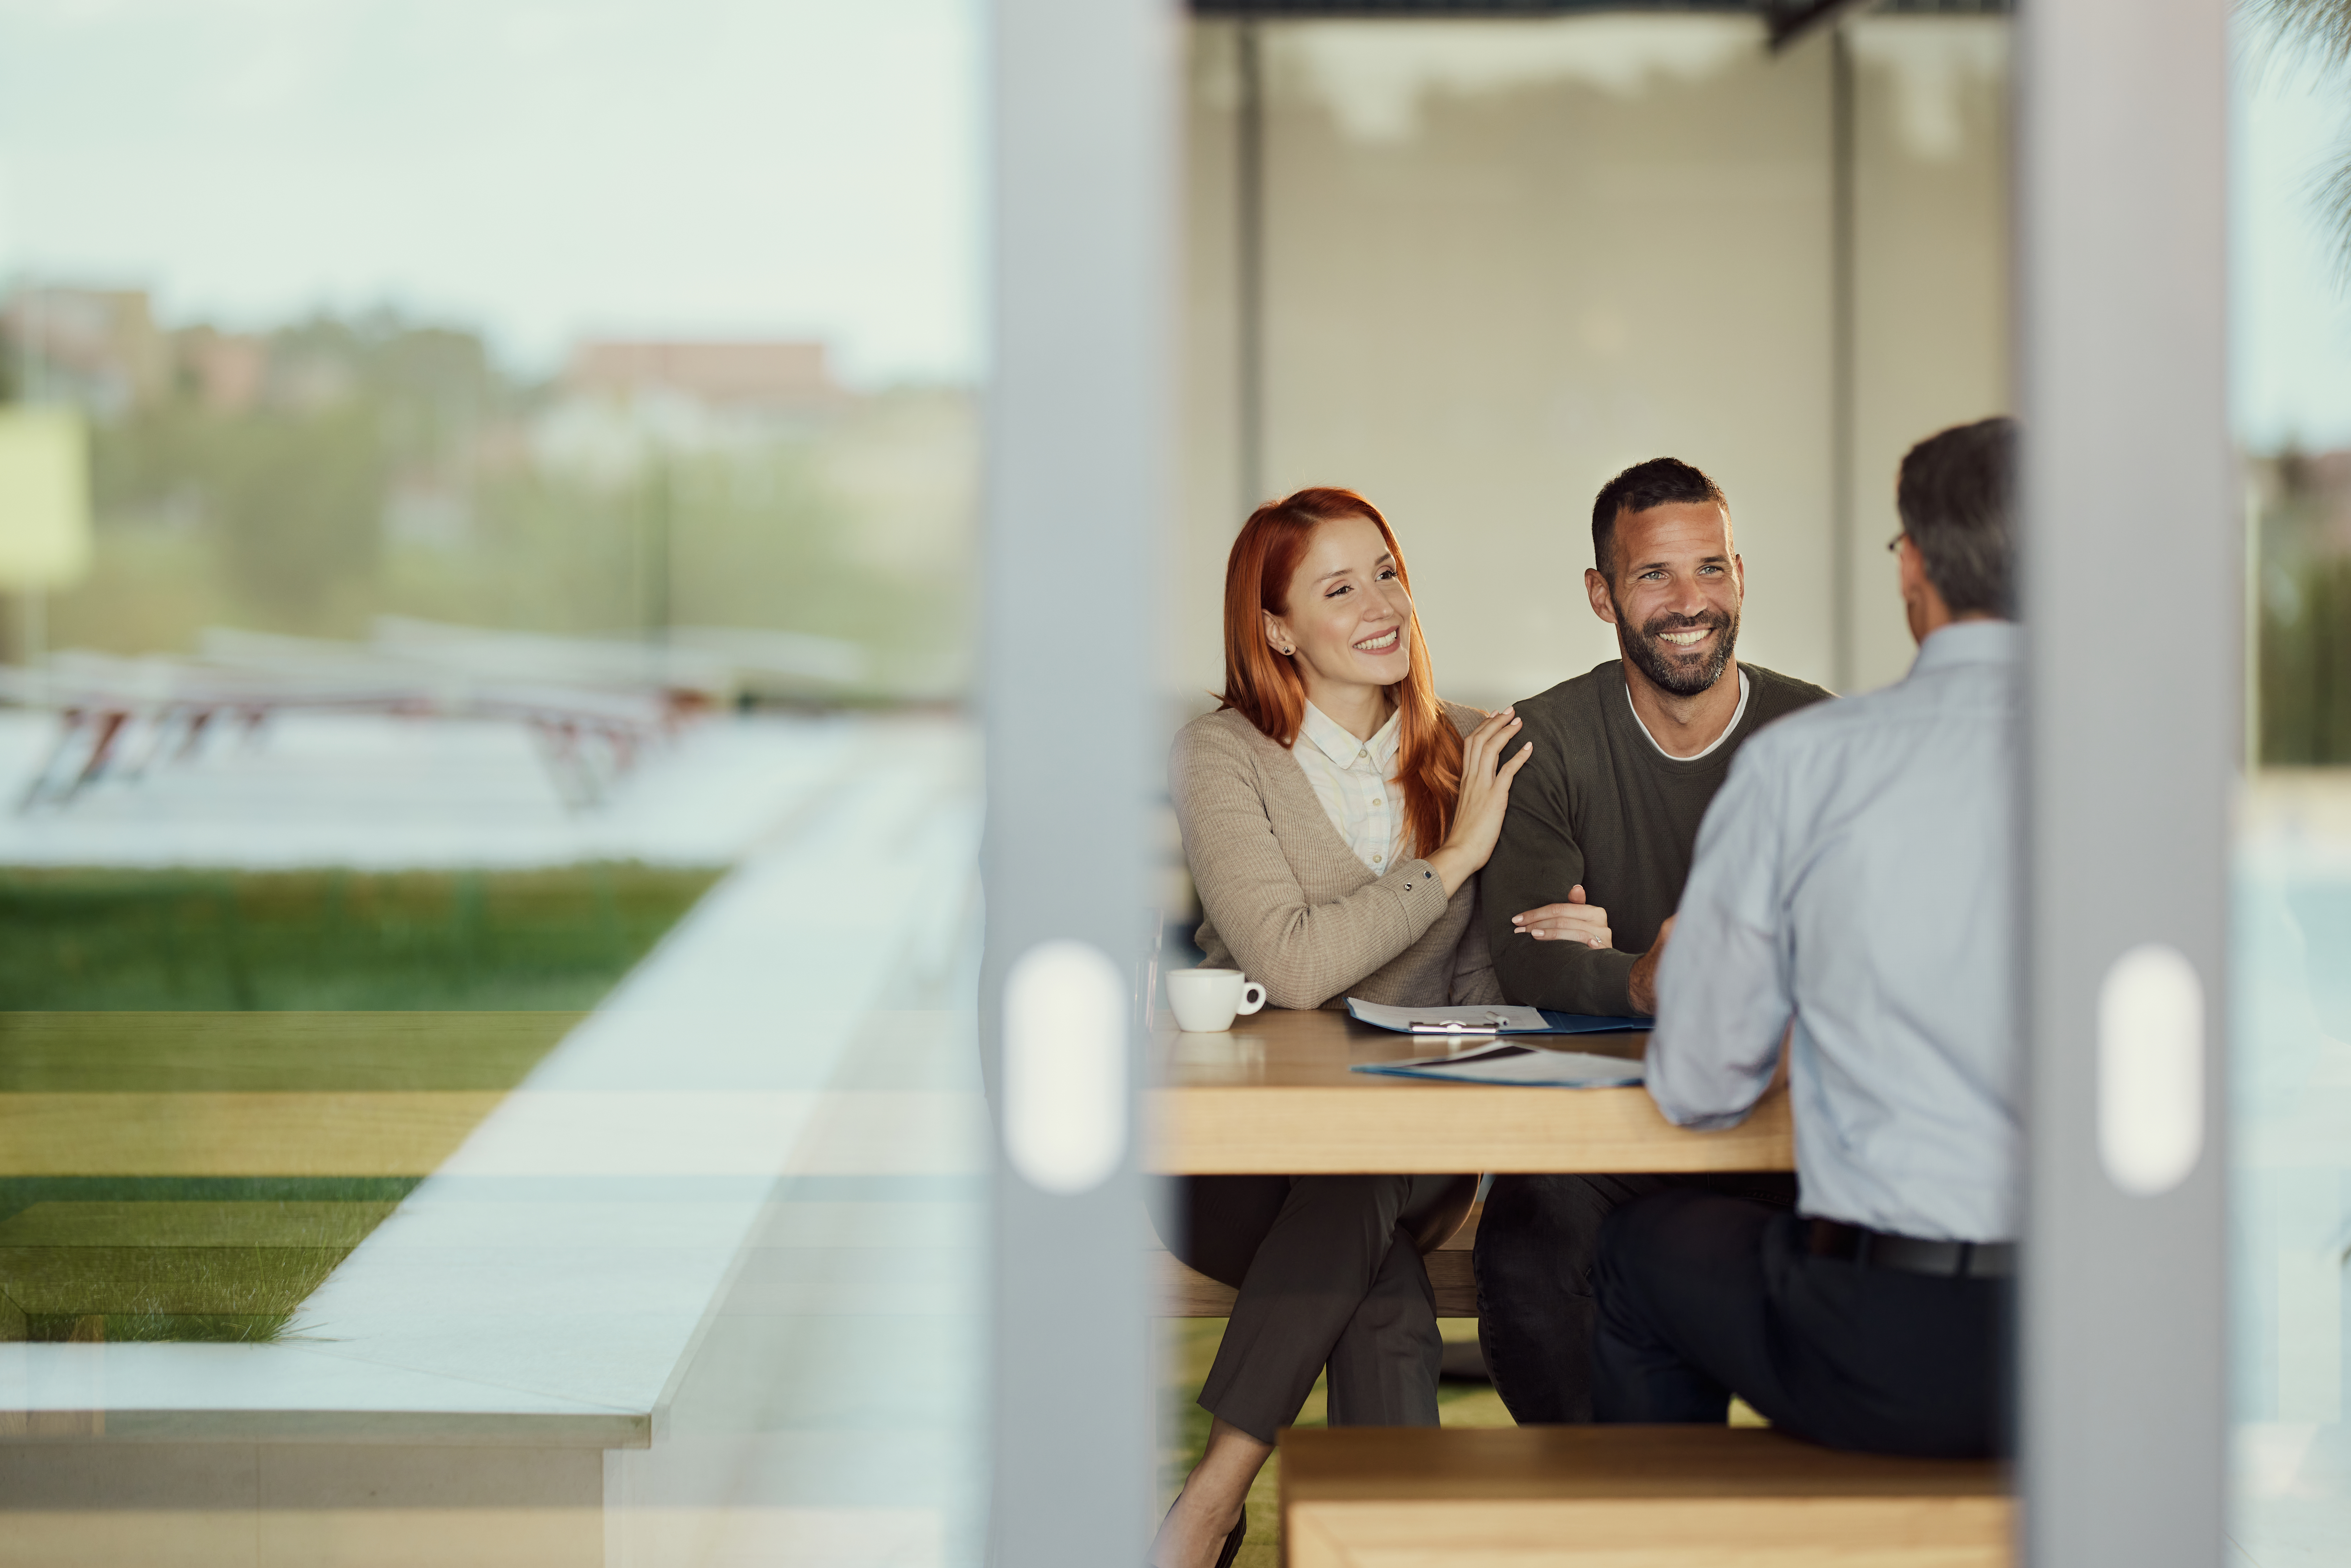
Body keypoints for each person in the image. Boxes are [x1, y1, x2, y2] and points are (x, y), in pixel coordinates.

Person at [1590, 417, 2021, 1458]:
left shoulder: (1806, 763)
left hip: (1893, 1341)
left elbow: (1697, 1085)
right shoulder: (2162, 765)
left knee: (1638, 1255)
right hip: (2120, 1349)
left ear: (1912, 566)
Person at [1152, 487, 1532, 1568]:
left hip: (1409, 1150)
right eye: (1338, 586)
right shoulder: (1221, 756)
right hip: (1238, 1163)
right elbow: (1291, 963)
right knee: (1383, 1297)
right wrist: (1450, 861)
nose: (1381, 603)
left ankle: (1205, 1505)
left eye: (1386, 571)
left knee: (1365, 1159)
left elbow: (1479, 982)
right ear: (1277, 627)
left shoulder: (1473, 748)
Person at [1470, 457, 1832, 1424]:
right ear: (1601, 594)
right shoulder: (1543, 744)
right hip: (1609, 1125)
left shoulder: (1819, 739)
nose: (1689, 602)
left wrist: (1614, 962)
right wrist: (1638, 978)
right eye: (1652, 575)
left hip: (1785, 1117)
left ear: (1741, 577)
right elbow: (1530, 957)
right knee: (1533, 1225)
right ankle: (1610, 1514)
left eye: (1710, 570)